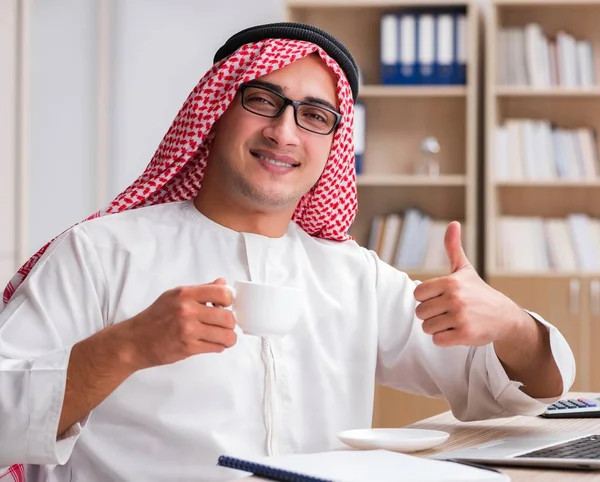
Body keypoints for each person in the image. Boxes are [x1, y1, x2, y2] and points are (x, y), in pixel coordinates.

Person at [0, 22, 574, 482]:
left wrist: (512, 325)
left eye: (315, 116)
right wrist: (126, 347)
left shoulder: (352, 274)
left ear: (334, 143)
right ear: (218, 109)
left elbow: (511, 394)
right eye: (262, 100)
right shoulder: (100, 254)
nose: (284, 131)